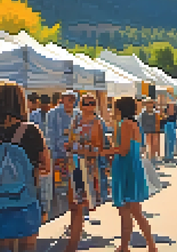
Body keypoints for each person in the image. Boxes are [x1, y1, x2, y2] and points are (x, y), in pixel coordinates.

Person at [0, 83, 50, 252]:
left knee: (3, 246)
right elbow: (46, 167)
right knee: (27, 246)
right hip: (26, 200)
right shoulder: (31, 131)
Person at [109, 96, 157, 252]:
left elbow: (123, 149)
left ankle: (147, 245)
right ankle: (129, 246)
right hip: (132, 167)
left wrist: (105, 151)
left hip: (126, 168)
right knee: (132, 211)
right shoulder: (134, 124)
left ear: (120, 109)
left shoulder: (125, 124)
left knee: (129, 211)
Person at [65, 94, 104, 252]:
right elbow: (70, 138)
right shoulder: (76, 120)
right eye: (86, 103)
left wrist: (83, 148)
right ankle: (72, 241)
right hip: (73, 165)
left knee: (80, 206)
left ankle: (71, 246)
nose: (89, 106)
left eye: (92, 103)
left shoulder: (97, 123)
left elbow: (98, 148)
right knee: (73, 205)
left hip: (86, 167)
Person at [46, 91, 80, 220]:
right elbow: (50, 135)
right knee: (61, 188)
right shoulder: (53, 114)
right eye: (68, 99)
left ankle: (75, 218)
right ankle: (62, 215)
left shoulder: (78, 114)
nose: (70, 102)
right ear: (62, 100)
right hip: (59, 157)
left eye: (73, 99)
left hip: (76, 157)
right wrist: (54, 156)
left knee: (76, 187)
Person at [29, 94, 54, 223]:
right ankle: (42, 211)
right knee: (41, 185)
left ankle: (45, 211)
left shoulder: (53, 114)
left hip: (49, 151)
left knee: (47, 185)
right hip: (38, 152)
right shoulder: (33, 116)